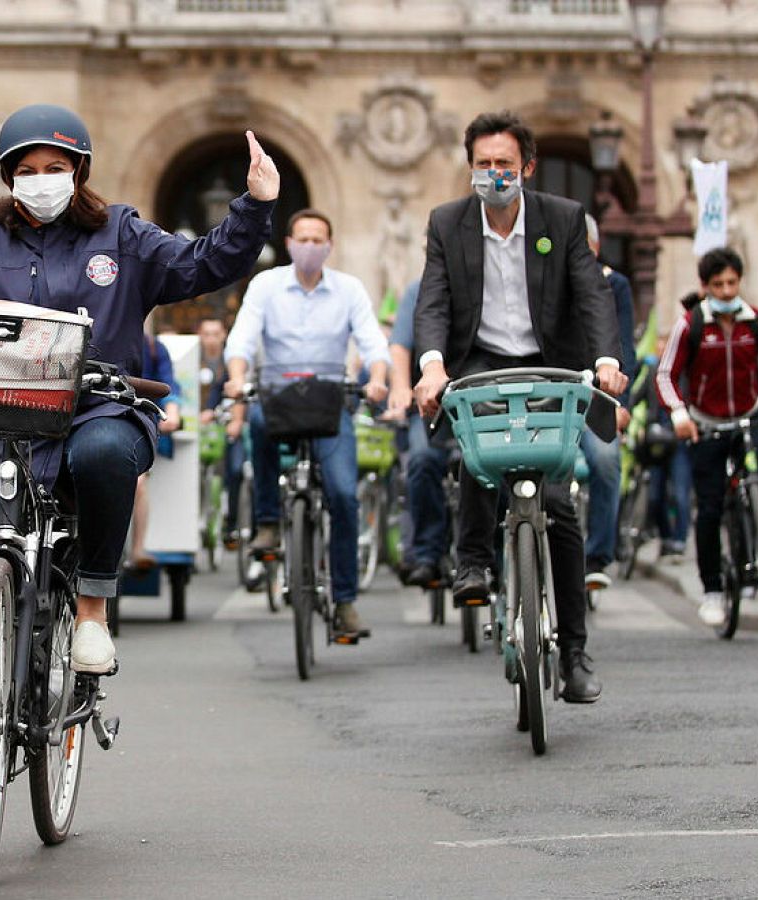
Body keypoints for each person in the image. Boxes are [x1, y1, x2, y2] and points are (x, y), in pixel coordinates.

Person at [0, 104, 278, 811]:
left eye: (54, 169)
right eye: (26, 171)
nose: (40, 182)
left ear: (79, 171)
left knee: (102, 453)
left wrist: (254, 206)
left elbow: (203, 262)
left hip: (96, 407)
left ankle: (91, 609)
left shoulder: (120, 233)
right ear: (8, 178)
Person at [412, 110, 626, 704]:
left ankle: (576, 655)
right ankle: (473, 563)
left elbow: (592, 296)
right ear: (471, 168)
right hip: (480, 359)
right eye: (483, 164)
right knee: (479, 452)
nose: (494, 174)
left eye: (505, 164)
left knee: (558, 507)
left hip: (549, 364)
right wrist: (432, 364)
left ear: (526, 167)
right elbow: (433, 300)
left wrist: (606, 360)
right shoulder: (447, 223)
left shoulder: (563, 218)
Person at [223, 208, 390, 639]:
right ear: (290, 243)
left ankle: (347, 602)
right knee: (256, 422)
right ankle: (267, 522)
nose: (310, 247)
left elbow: (372, 340)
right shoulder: (266, 285)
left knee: (342, 494)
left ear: (329, 246)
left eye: (319, 240)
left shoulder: (349, 289)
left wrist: (379, 380)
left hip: (331, 401)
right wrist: (238, 377)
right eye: (303, 239)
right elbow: (242, 336)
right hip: (278, 398)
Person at [653, 246, 758, 627]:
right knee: (708, 507)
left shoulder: (755, 320)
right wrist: (678, 414)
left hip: (750, 415)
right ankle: (712, 589)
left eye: (732, 283)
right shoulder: (690, 324)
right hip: (706, 422)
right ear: (705, 286)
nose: (726, 291)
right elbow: (665, 375)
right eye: (718, 284)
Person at [579, 213, 637, 590]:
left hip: (598, 393)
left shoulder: (613, 285)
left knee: (605, 460)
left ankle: (597, 556)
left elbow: (624, 345)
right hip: (552, 390)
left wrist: (622, 402)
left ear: (594, 248)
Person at [386, 279, 454, 588]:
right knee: (422, 460)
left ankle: (489, 551)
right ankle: (426, 553)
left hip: (478, 399)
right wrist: (400, 387)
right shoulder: (416, 292)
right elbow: (399, 345)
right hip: (428, 405)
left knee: (481, 465)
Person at [128, 321, 183, 570]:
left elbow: (170, 385)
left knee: (138, 483)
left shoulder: (154, 348)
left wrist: (173, 410)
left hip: (139, 422)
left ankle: (138, 547)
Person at [197, 316, 247, 544]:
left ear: (224, 334)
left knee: (236, 470)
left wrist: (236, 421)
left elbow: (238, 393)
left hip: (231, 424)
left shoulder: (232, 361)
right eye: (206, 333)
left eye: (215, 333)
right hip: (202, 426)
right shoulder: (195, 358)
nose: (211, 339)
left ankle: (232, 522)